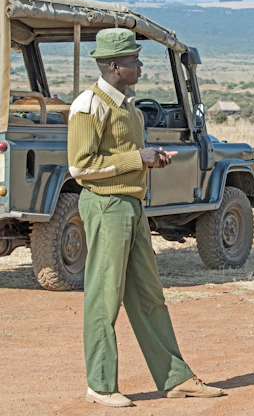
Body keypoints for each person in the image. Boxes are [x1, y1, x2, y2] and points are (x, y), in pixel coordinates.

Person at [68, 28, 224, 408]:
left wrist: (149, 156)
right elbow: (80, 167)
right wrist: (138, 159)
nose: (140, 65)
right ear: (115, 66)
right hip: (105, 206)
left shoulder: (127, 106)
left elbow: (121, 156)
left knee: (149, 297)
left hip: (131, 207)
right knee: (104, 299)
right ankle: (101, 385)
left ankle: (176, 378)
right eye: (134, 60)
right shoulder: (89, 105)